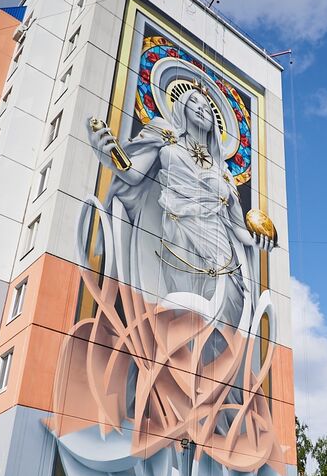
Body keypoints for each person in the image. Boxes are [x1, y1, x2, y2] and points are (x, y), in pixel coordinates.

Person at [87, 85, 274, 330]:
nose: (201, 108)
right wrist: (107, 152)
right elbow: (132, 174)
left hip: (219, 248)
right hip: (177, 237)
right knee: (185, 309)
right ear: (181, 107)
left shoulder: (224, 171)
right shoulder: (163, 136)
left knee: (225, 309)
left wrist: (259, 240)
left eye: (207, 107)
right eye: (194, 102)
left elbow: (238, 228)